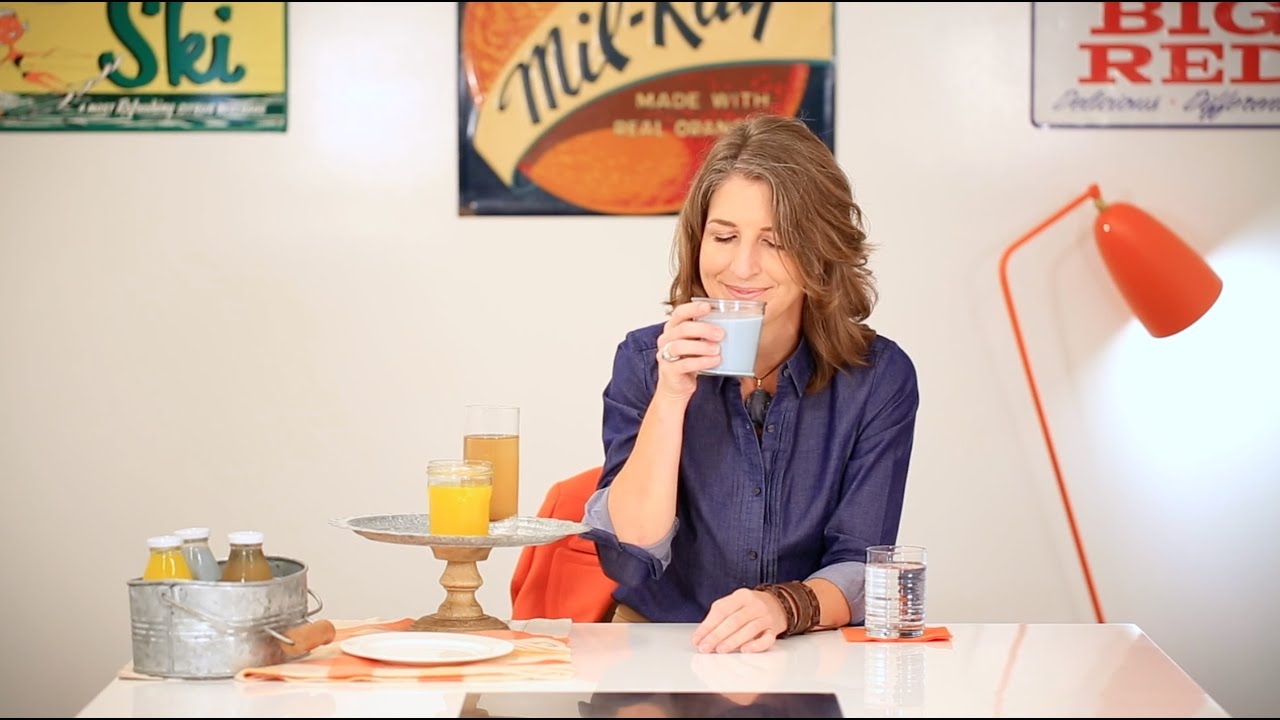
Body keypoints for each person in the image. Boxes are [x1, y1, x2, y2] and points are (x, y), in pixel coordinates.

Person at [583, 114, 920, 654]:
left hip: (803, 648)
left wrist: (782, 606)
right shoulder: (645, 361)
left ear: (820, 250)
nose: (742, 267)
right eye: (724, 236)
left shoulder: (877, 377)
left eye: (775, 242)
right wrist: (671, 396)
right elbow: (632, 552)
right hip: (657, 644)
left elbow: (862, 564)